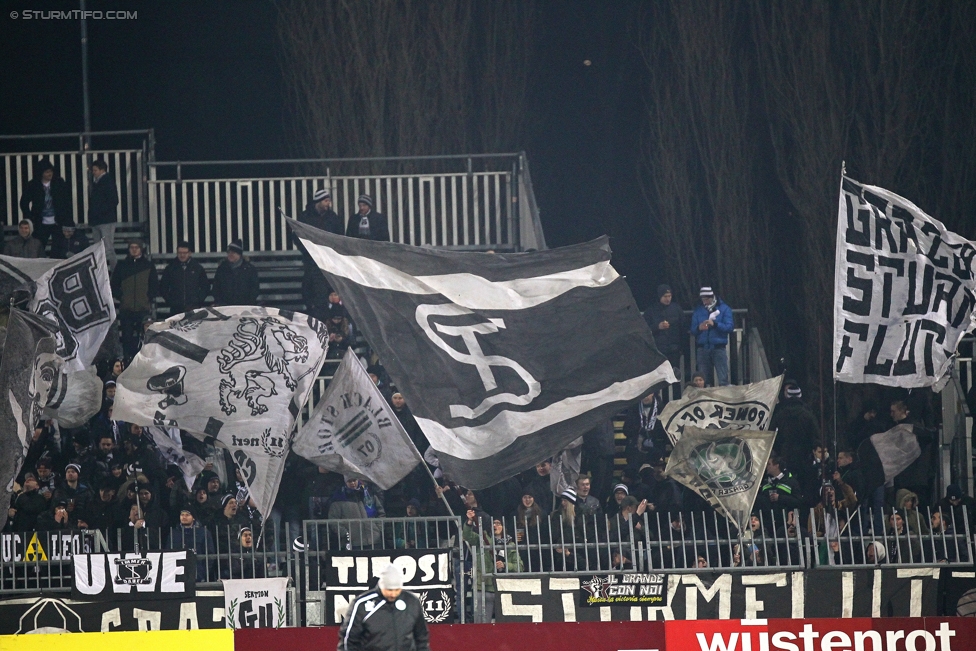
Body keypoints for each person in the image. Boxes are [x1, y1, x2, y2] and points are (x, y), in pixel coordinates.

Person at [337, 563, 430, 651]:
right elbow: (349, 640)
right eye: (389, 590)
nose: (393, 594)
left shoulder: (412, 602)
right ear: (381, 585)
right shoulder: (361, 604)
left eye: (397, 590)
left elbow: (421, 638)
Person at [298, 188, 343, 318]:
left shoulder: (332, 217)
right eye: (325, 201)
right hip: (312, 260)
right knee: (311, 287)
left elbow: (339, 236)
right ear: (318, 202)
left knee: (326, 288)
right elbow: (297, 235)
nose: (328, 204)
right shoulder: (306, 216)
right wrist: (307, 250)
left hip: (329, 260)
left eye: (328, 201)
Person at [111, 240, 158, 360]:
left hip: (143, 308)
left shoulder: (148, 265)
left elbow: (154, 284)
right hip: (126, 309)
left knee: (143, 338)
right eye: (132, 247)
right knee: (127, 338)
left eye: (136, 247)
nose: (134, 249)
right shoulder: (122, 265)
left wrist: (148, 297)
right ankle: (127, 360)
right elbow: (114, 284)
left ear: (141, 249)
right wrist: (121, 297)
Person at [20, 159, 72, 249]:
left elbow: (67, 201)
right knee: (39, 247)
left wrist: (66, 217)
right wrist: (30, 218)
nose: (50, 174)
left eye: (51, 171)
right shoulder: (33, 184)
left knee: (58, 248)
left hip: (58, 222)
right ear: (41, 173)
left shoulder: (59, 183)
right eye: (47, 172)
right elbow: (24, 202)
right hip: (40, 223)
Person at [689, 286, 734, 386]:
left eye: (706, 299)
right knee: (703, 382)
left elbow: (730, 327)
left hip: (719, 347)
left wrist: (715, 324)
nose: (704, 302)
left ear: (711, 297)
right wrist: (699, 328)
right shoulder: (698, 310)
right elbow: (692, 329)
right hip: (703, 348)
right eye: (702, 300)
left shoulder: (724, 309)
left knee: (723, 380)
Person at [160, 241, 210, 316]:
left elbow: (205, 287)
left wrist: (198, 301)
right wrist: (171, 301)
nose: (182, 255)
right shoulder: (170, 268)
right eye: (180, 253)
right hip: (175, 309)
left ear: (189, 253)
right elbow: (163, 287)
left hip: (194, 308)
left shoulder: (198, 268)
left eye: (184, 253)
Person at [644, 284, 684, 372]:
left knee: (675, 374)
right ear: (660, 296)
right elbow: (645, 330)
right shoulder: (651, 311)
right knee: (662, 376)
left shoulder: (676, 309)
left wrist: (682, 347)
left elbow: (682, 327)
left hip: (674, 348)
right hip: (659, 350)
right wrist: (657, 327)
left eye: (669, 296)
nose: (668, 299)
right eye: (665, 296)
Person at [88, 159, 120, 269]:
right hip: (99, 220)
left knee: (108, 247)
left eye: (95, 170)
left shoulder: (107, 182)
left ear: (102, 170)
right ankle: (103, 270)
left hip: (105, 220)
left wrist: (99, 212)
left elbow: (114, 201)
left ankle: (114, 271)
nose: (93, 172)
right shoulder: (100, 182)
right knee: (100, 248)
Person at [212, 239, 260, 306]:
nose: (230, 254)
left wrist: (248, 303)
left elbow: (254, 289)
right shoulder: (222, 269)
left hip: (244, 306)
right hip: (225, 306)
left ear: (239, 254)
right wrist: (220, 302)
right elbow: (216, 288)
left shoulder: (250, 269)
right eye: (229, 252)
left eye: (233, 252)